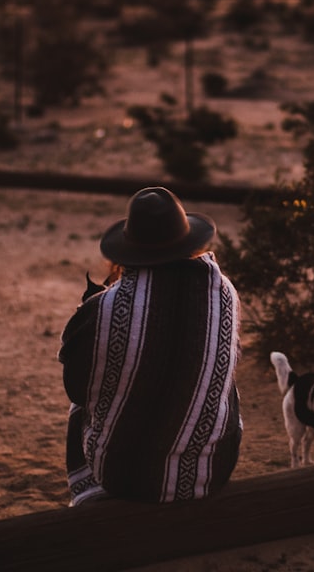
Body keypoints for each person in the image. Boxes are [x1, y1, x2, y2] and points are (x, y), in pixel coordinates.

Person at [58, 186, 242, 506]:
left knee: (82, 404)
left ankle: (88, 495)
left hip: (122, 478)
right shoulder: (224, 292)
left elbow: (76, 389)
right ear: (189, 240)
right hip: (208, 474)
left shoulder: (103, 308)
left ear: (130, 249)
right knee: (221, 377)